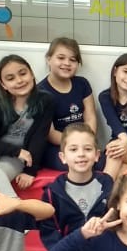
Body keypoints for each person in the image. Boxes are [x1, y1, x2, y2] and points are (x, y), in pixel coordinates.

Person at [38, 123, 115, 251]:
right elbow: (51, 237)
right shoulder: (52, 193)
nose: (81, 154)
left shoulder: (108, 185)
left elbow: (117, 230)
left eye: (87, 149)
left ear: (97, 155)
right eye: (73, 149)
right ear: (63, 157)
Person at [0, 54, 55, 203]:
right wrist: (16, 151)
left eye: (23, 73)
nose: (19, 80)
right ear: (3, 85)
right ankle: (15, 203)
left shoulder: (45, 101)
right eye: (11, 78)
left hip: (17, 158)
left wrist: (30, 171)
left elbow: (39, 137)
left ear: (32, 74)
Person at [36, 37, 99, 171]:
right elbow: (50, 133)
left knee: (104, 159)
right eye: (61, 58)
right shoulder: (40, 92)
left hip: (84, 142)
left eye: (72, 60)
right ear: (48, 59)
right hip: (56, 147)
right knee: (76, 163)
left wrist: (87, 142)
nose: (67, 63)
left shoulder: (82, 84)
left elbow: (90, 117)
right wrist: (75, 144)